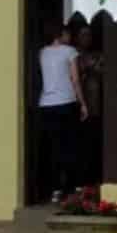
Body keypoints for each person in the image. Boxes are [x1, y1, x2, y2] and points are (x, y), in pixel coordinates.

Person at [39, 22, 88, 202]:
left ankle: (55, 189)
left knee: (54, 148)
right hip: (66, 102)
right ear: (61, 35)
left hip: (46, 104)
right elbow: (75, 79)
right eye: (67, 34)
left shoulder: (42, 52)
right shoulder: (69, 51)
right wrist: (83, 104)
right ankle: (73, 186)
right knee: (71, 146)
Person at [74, 24, 103, 186]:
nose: (87, 38)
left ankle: (93, 179)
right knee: (80, 146)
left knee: (93, 144)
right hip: (78, 107)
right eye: (83, 35)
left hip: (95, 106)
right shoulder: (73, 54)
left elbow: (104, 68)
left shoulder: (96, 55)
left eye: (89, 35)